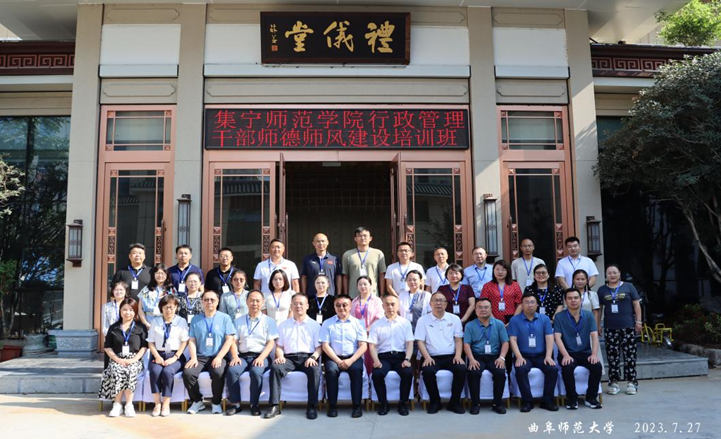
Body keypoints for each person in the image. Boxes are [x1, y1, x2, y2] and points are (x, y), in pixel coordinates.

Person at [265, 293, 323, 420]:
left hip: (308, 357)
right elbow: (279, 346)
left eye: (301, 303)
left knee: (314, 370)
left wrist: (313, 358)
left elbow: (319, 348)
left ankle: (312, 406)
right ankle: (274, 405)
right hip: (288, 358)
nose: (298, 306)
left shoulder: (314, 325)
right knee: (275, 367)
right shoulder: (283, 325)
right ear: (291, 306)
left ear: (307, 306)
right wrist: (280, 356)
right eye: (295, 303)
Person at [225, 290, 278, 416]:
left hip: (261, 356)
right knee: (232, 371)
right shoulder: (238, 321)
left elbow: (271, 342)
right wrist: (235, 356)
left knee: (256, 372)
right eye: (252, 300)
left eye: (258, 301)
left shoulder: (269, 321)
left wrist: (261, 358)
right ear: (246, 302)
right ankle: (236, 404)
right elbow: (234, 341)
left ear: (262, 302)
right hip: (242, 356)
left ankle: (254, 404)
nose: (255, 303)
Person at [183, 290, 236, 415]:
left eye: (212, 300)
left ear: (217, 302)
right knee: (188, 373)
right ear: (202, 302)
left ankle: (216, 402)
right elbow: (192, 340)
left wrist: (219, 357)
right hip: (200, 356)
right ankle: (197, 401)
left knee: (218, 372)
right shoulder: (196, 319)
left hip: (218, 355)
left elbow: (229, 339)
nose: (209, 302)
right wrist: (193, 358)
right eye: (206, 300)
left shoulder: (225, 318)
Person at [415, 291, 466, 415]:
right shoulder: (423, 320)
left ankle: (454, 402)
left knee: (461, 369)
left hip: (451, 356)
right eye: (435, 300)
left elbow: (458, 340)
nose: (438, 303)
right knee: (428, 371)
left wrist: (458, 356)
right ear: (430, 304)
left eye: (441, 301)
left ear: (446, 304)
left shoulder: (454, 319)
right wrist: (426, 357)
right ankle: (435, 402)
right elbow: (420, 342)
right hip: (431, 356)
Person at [508, 292, 559, 413]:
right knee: (520, 369)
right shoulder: (514, 320)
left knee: (552, 369)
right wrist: (519, 357)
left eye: (532, 302)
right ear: (522, 305)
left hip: (541, 356)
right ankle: (527, 401)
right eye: (526, 302)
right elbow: (512, 340)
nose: (529, 305)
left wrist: (548, 356)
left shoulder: (544, 319)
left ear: (537, 304)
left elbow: (549, 338)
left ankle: (547, 401)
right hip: (524, 356)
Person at [554, 288, 603, 410]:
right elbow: (557, 337)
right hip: (567, 352)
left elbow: (594, 336)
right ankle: (572, 399)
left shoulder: (588, 315)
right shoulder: (559, 317)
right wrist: (565, 355)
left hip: (585, 352)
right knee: (568, 366)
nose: (573, 300)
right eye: (569, 298)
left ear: (580, 300)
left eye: (576, 298)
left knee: (597, 366)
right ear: (565, 301)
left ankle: (591, 398)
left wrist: (594, 354)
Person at [99, 297, 148, 418]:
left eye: (131, 310)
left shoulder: (140, 327)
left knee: (130, 370)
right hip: (117, 358)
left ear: (135, 312)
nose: (128, 312)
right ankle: (117, 405)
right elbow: (107, 347)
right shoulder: (113, 327)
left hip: (134, 359)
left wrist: (133, 360)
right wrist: (117, 359)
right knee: (117, 370)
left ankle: (129, 405)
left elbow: (144, 347)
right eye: (125, 309)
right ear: (120, 311)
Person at [598, 264, 642, 396]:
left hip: (627, 326)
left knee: (630, 355)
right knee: (612, 356)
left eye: (614, 272)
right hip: (610, 327)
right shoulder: (602, 290)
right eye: (609, 273)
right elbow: (599, 309)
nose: (612, 275)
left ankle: (631, 382)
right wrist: (598, 325)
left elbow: (636, 304)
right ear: (606, 275)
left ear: (619, 273)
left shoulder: (629, 287)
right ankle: (614, 382)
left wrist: (638, 321)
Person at [321, 295, 368, 418]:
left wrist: (350, 360)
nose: (341, 308)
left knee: (357, 371)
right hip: (334, 357)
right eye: (338, 305)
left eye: (345, 305)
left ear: (350, 306)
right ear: (334, 307)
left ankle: (357, 406)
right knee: (331, 371)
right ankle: (332, 406)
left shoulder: (358, 323)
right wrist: (338, 361)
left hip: (353, 357)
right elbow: (325, 346)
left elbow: (363, 346)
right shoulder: (327, 323)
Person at [368, 295, 414, 416]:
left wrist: (407, 359)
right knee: (377, 374)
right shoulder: (377, 325)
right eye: (387, 304)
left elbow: (409, 343)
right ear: (383, 306)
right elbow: (372, 345)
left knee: (407, 372)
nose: (390, 307)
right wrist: (376, 360)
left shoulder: (405, 323)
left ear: (398, 306)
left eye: (393, 304)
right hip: (383, 357)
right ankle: (383, 403)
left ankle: (403, 403)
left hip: (400, 356)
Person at [464, 298, 509, 415]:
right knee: (473, 373)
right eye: (479, 307)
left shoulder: (499, 324)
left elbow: (505, 342)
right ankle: (475, 404)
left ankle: (497, 404)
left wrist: (502, 358)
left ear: (491, 309)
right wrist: (471, 360)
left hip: (495, 356)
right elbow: (466, 344)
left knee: (500, 372)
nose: (483, 310)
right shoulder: (470, 325)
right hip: (477, 356)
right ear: (475, 310)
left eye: (486, 307)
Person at [146, 295, 189, 417]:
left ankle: (166, 404)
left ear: (176, 307)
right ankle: (157, 404)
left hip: (175, 356)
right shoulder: (156, 321)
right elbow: (151, 342)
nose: (168, 310)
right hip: (158, 354)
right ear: (161, 308)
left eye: (171, 307)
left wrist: (175, 357)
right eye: (165, 307)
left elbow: (184, 341)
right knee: (155, 371)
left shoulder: (181, 321)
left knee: (167, 371)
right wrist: (157, 356)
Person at [351, 276, 384, 374]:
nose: (363, 286)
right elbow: (351, 317)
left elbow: (379, 317)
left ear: (370, 285)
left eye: (365, 284)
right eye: (360, 284)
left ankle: (372, 378)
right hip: (358, 335)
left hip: (372, 334)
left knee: (371, 356)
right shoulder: (354, 301)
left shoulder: (377, 300)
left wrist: (367, 330)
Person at [342, 227, 387, 298]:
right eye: (359, 236)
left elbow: (382, 275)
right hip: (353, 295)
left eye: (365, 236)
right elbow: (345, 276)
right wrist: (346, 295)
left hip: (373, 294)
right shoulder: (348, 254)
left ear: (370, 238)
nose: (362, 238)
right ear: (355, 239)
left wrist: (382, 294)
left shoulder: (378, 253)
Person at [480, 260, 523, 324]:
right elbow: (483, 304)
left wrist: (513, 320)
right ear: (493, 271)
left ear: (508, 271)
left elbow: (520, 303)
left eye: (503, 270)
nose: (500, 272)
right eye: (497, 269)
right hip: (492, 319)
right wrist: (494, 320)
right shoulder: (487, 286)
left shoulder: (515, 285)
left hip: (511, 318)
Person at [300, 233, 343, 297]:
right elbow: (304, 277)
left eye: (323, 241)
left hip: (330, 295)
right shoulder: (308, 259)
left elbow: (338, 277)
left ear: (327, 242)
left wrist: (338, 294)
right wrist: (304, 294)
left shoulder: (334, 259)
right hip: (312, 295)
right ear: (313, 243)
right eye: (318, 241)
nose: (321, 243)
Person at [138, 264, 176, 329]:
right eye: (157, 273)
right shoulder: (146, 289)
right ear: (153, 274)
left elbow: (175, 308)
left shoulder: (171, 290)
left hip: (165, 323)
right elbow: (140, 309)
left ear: (167, 275)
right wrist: (146, 324)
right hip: (148, 322)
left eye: (162, 273)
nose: (160, 275)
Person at [571, 269, 602, 333]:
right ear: (573, 280)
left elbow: (595, 313)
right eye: (577, 279)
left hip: (588, 326)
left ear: (587, 281)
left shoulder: (592, 294)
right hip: (572, 325)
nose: (580, 281)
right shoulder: (568, 295)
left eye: (582, 279)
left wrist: (595, 329)